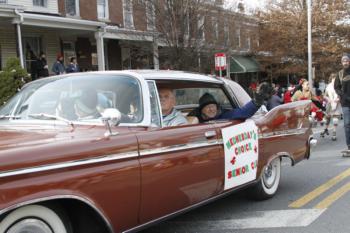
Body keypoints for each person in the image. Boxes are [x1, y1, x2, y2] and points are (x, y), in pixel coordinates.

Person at [191, 82, 272, 123]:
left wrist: (256, 102)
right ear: (202, 110)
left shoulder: (224, 115)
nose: (211, 109)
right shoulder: (195, 118)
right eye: (207, 107)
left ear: (217, 107)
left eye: (213, 106)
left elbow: (243, 112)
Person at [334, 54, 350, 151]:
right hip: (345, 104)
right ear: (341, 63)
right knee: (347, 124)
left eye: (347, 61)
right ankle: (349, 145)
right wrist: (342, 95)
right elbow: (336, 87)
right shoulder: (339, 74)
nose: (345, 62)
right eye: (343, 61)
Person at [321, 73, 341, 140]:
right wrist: (328, 99)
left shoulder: (339, 86)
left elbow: (341, 94)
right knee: (328, 118)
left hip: (337, 104)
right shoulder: (328, 87)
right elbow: (324, 95)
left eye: (336, 80)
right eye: (333, 80)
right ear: (331, 79)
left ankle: (334, 133)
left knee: (335, 120)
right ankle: (325, 129)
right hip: (330, 104)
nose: (334, 81)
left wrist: (338, 99)